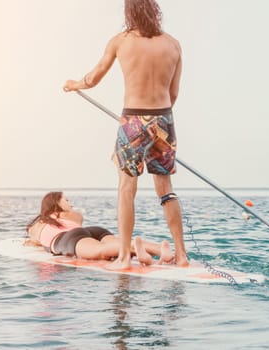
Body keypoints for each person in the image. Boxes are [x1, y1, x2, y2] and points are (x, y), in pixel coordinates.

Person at [63, 0, 189, 269]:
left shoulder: (120, 41)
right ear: (155, 11)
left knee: (126, 189)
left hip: (133, 119)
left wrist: (75, 84)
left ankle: (123, 257)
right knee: (166, 190)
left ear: (128, 12)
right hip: (165, 119)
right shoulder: (174, 44)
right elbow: (174, 92)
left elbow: (93, 78)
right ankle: (181, 255)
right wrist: (158, 123)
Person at [25, 191, 174, 265]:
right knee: (119, 241)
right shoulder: (72, 216)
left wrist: (34, 241)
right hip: (93, 230)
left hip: (66, 239)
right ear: (55, 203)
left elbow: (37, 237)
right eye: (66, 200)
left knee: (101, 251)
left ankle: (136, 250)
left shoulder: (40, 223)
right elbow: (79, 219)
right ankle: (160, 250)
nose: (71, 203)